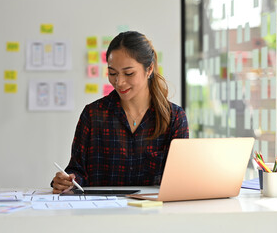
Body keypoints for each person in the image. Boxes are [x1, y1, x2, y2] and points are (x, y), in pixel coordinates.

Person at [52, 31, 189, 193]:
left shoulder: (174, 118)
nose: (119, 82)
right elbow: (78, 171)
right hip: (102, 213)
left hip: (153, 213)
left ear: (149, 69)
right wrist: (67, 181)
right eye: (112, 73)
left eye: (129, 73)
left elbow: (180, 178)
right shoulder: (93, 115)